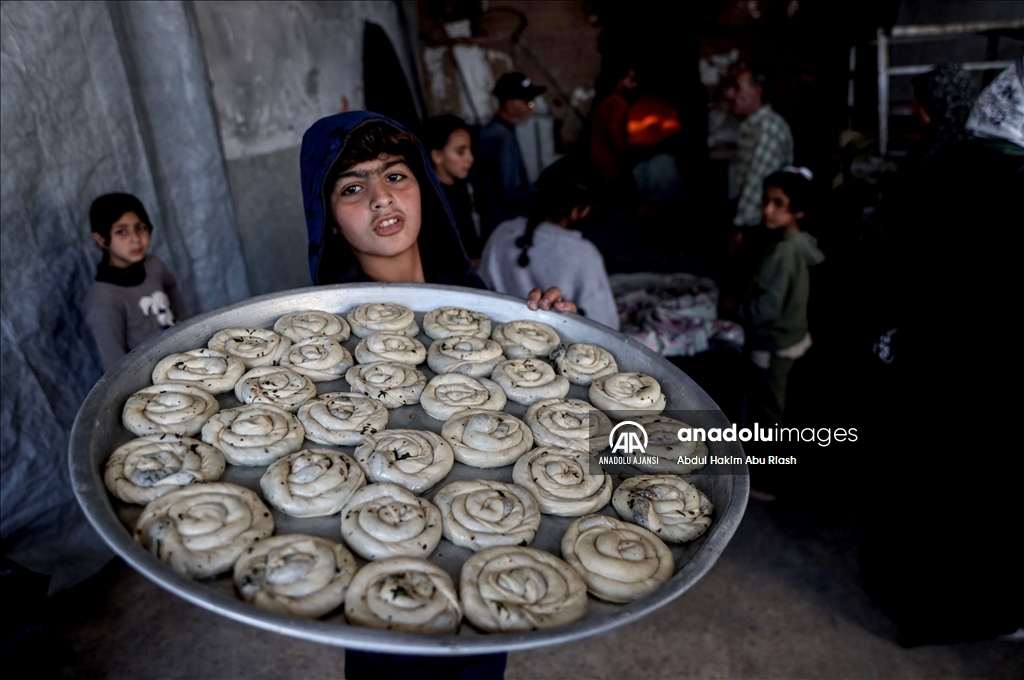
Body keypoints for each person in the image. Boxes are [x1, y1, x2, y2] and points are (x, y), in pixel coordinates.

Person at [479, 158, 619, 330]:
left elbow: (481, 291)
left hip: (498, 329)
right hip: (552, 338)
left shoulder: (503, 232)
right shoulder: (584, 254)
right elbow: (607, 324)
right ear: (578, 210)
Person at [737, 168, 823, 425]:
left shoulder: (783, 251)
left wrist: (736, 311)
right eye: (766, 201)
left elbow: (767, 308)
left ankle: (767, 461)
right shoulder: (803, 242)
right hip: (795, 336)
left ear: (798, 210)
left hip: (774, 343)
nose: (767, 210)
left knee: (769, 409)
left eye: (778, 204)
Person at [84, 193, 187, 372]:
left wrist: (184, 323)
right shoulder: (103, 300)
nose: (135, 239)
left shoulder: (154, 265)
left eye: (140, 227)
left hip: (184, 355)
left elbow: (171, 286)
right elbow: (115, 365)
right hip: (152, 376)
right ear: (101, 239)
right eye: (121, 232)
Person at [475, 72, 545, 239]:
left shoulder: (501, 132)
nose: (532, 108)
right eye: (528, 102)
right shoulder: (499, 136)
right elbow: (511, 190)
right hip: (505, 228)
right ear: (510, 104)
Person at [723, 65, 794, 230]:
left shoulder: (769, 127)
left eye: (737, 88)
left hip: (760, 226)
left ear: (757, 91)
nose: (730, 94)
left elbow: (757, 183)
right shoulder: (753, 126)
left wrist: (741, 228)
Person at [424, 114, 482, 263]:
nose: (470, 158)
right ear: (437, 155)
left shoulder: (462, 189)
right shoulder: (430, 199)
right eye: (460, 151)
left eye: (470, 150)